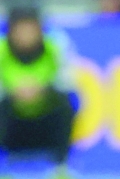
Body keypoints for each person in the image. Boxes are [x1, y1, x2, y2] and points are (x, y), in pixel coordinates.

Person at [0, 8, 76, 163]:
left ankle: (61, 166)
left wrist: (42, 90)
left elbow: (68, 82)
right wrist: (13, 92)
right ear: (11, 31)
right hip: (11, 118)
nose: (26, 35)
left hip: (45, 116)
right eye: (20, 30)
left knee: (66, 104)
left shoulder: (55, 47)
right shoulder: (1, 50)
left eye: (30, 30)